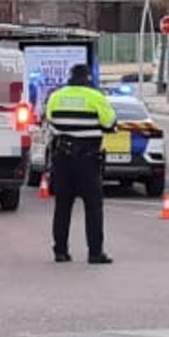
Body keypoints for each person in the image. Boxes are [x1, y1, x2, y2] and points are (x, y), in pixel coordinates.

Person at [45, 63, 117, 265]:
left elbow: (50, 119)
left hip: (62, 159)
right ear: (88, 78)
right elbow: (109, 123)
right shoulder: (95, 97)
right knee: (93, 207)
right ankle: (95, 253)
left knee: (62, 206)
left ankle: (60, 251)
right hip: (88, 159)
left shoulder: (56, 96)